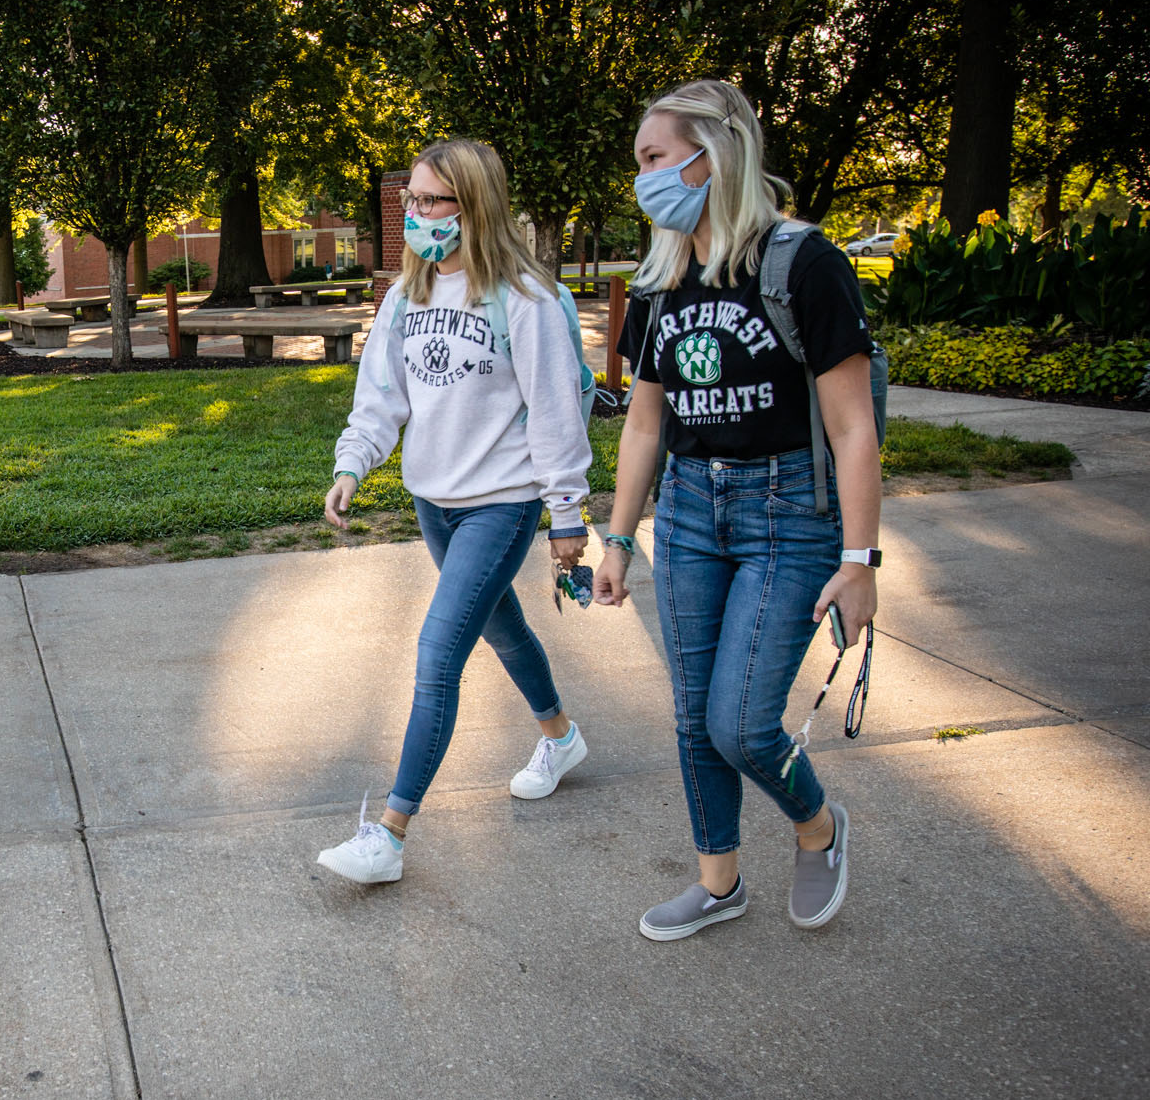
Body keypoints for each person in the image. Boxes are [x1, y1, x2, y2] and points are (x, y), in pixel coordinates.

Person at [592, 80, 880, 940]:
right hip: (685, 512)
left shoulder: (802, 264)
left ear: (710, 157)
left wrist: (860, 562)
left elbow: (853, 426)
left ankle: (818, 826)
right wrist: (618, 536)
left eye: (654, 158)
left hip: (789, 514)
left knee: (742, 723)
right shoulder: (658, 278)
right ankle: (720, 882)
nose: (642, 178)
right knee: (691, 716)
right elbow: (644, 421)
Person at [317, 138, 595, 884]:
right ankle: (561, 736)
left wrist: (566, 513)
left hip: (501, 506)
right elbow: (380, 398)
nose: (415, 214)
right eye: (410, 200)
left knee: (440, 651)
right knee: (503, 626)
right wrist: (352, 465)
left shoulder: (526, 299)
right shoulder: (406, 296)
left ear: (473, 205)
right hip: (433, 503)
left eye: (430, 201)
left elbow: (555, 413)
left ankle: (390, 834)